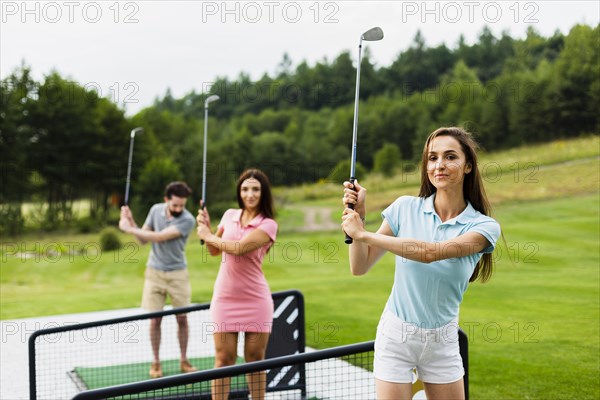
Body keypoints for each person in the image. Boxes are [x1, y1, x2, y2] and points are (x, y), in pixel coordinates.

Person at [341, 127, 501, 400]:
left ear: (468, 166)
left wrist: (363, 234)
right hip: (396, 335)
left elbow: (432, 253)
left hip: (443, 339)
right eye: (432, 158)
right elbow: (360, 266)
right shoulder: (404, 208)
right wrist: (362, 218)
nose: (439, 165)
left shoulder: (484, 227)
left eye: (450, 157)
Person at [196, 168, 277, 400]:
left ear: (263, 193)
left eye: (255, 189)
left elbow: (240, 248)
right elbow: (213, 250)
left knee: (254, 359)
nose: (250, 194)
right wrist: (208, 229)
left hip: (255, 299)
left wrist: (208, 235)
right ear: (239, 192)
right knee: (224, 359)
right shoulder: (229, 215)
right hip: (225, 298)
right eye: (245, 189)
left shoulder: (269, 224)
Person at [119, 181, 198, 379]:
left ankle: (183, 359)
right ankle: (155, 362)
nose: (179, 209)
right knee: (155, 320)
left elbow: (160, 237)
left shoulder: (188, 220)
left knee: (182, 318)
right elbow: (144, 239)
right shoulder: (155, 210)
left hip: (178, 274)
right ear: (166, 200)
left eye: (182, 205)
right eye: (175, 205)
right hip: (154, 272)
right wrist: (132, 222)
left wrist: (128, 228)